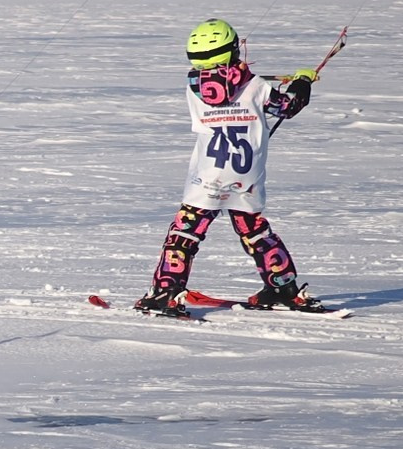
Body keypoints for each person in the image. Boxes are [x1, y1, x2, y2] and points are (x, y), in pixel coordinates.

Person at [135, 17, 328, 316]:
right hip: (246, 175)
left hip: (209, 175)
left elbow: (220, 86)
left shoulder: (193, 89)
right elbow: (287, 107)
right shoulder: (257, 86)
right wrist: (302, 82)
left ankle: (165, 294)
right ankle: (283, 288)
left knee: (185, 233)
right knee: (255, 232)